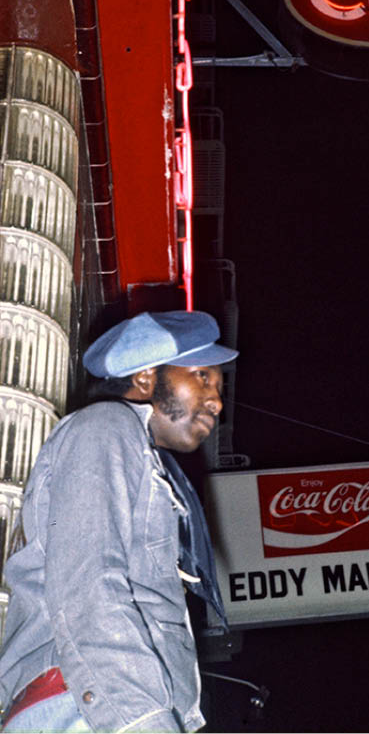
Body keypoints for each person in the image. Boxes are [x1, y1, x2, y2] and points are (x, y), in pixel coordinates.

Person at [0, 310, 238, 733]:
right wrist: (144, 722)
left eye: (218, 385)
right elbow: (88, 584)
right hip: (91, 705)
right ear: (146, 378)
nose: (217, 401)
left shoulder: (143, 459)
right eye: (203, 375)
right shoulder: (104, 428)